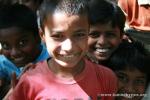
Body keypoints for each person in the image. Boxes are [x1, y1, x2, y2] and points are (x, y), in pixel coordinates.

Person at [8, 0, 118, 99]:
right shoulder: (29, 82)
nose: (69, 47)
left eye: (79, 35)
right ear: (42, 35)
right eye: (57, 36)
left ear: (88, 31)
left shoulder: (106, 78)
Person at [0, 4, 49, 99]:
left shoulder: (50, 61)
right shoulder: (4, 62)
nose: (14, 52)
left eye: (22, 43)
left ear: (38, 37)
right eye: (6, 45)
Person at [87, 0, 126, 65]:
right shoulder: (72, 65)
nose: (102, 42)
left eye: (110, 35)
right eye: (94, 34)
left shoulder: (131, 65)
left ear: (121, 36)